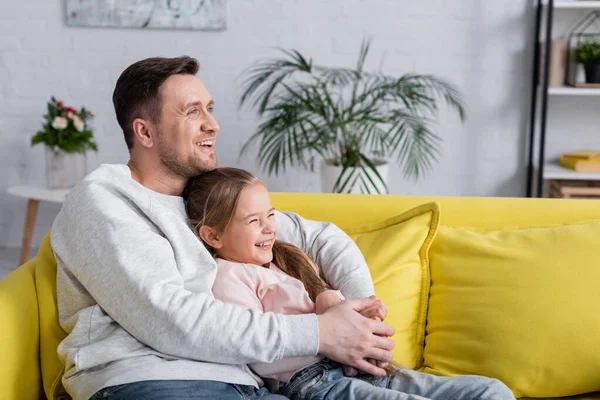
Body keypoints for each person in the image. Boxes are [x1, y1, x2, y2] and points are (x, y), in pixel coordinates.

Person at [50, 56, 396, 400]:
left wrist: (361, 323)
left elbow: (321, 237)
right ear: (145, 131)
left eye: (210, 109)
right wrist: (321, 332)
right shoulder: (104, 200)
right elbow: (171, 320)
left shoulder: (205, 201)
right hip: (154, 380)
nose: (212, 124)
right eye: (192, 111)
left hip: (247, 384)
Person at [181, 167, 516, 400]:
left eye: (271, 214)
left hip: (356, 370)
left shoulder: (285, 263)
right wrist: (323, 325)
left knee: (492, 391)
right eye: (254, 221)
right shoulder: (229, 276)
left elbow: (329, 240)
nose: (270, 228)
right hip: (314, 383)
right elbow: (257, 351)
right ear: (213, 236)